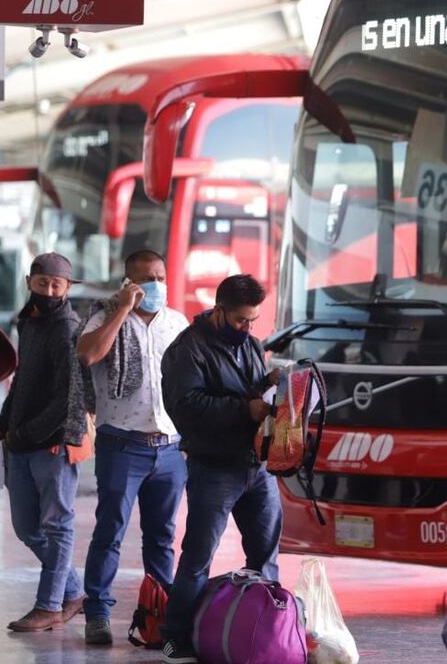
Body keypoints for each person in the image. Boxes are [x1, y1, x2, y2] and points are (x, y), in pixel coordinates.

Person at [157, 274, 281, 664]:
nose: (248, 329)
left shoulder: (251, 345)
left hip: (255, 466)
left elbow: (251, 391)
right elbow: (186, 408)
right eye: (242, 320)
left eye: (254, 321)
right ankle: (176, 636)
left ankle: (267, 629)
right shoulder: (187, 350)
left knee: (265, 554)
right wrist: (244, 409)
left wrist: (270, 384)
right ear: (219, 309)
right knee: (197, 558)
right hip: (214, 468)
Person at [78, 250, 188, 646]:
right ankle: (98, 615)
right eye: (145, 279)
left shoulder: (177, 323)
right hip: (122, 443)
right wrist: (122, 311)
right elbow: (88, 354)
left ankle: (159, 616)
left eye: (160, 276)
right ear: (128, 283)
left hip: (170, 447)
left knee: (162, 537)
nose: (155, 285)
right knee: (110, 531)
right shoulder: (104, 315)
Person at [0, 254, 91, 632]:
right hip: (20, 440)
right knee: (25, 526)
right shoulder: (30, 322)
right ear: (29, 281)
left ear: (67, 288)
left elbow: (70, 398)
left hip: (54, 443)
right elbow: (22, 380)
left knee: (56, 525)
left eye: (57, 285)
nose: (49, 291)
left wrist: (25, 434)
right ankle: (75, 591)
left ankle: (49, 605)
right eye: (42, 283)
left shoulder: (68, 329)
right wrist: (4, 425)